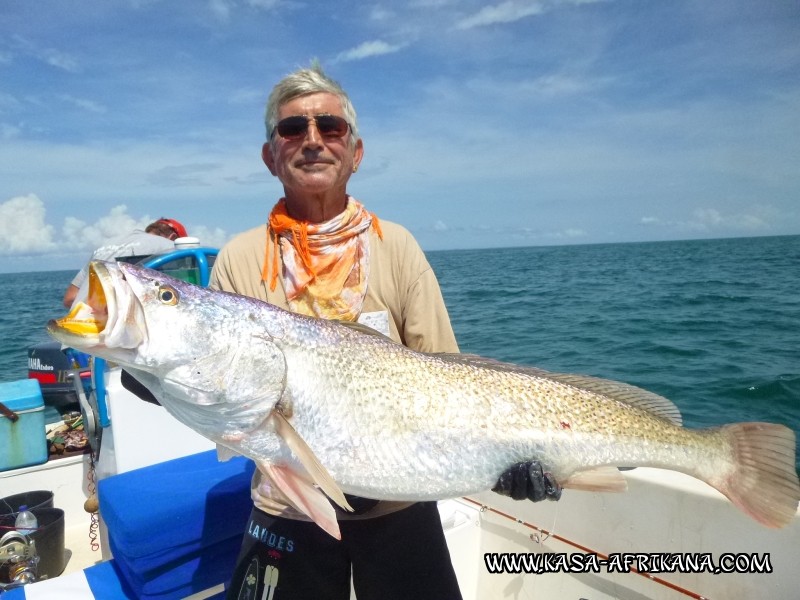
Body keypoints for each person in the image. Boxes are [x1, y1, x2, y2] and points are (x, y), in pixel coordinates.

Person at [210, 64, 559, 600]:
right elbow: (225, 390)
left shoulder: (395, 245)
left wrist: (508, 461)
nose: (312, 141)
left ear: (355, 152)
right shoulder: (238, 259)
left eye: (330, 128)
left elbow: (451, 380)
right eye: (291, 130)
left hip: (399, 499)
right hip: (288, 504)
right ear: (269, 156)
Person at [62, 218, 188, 308]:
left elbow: (70, 299)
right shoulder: (169, 246)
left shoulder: (104, 245)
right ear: (172, 237)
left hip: (75, 334)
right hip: (115, 339)